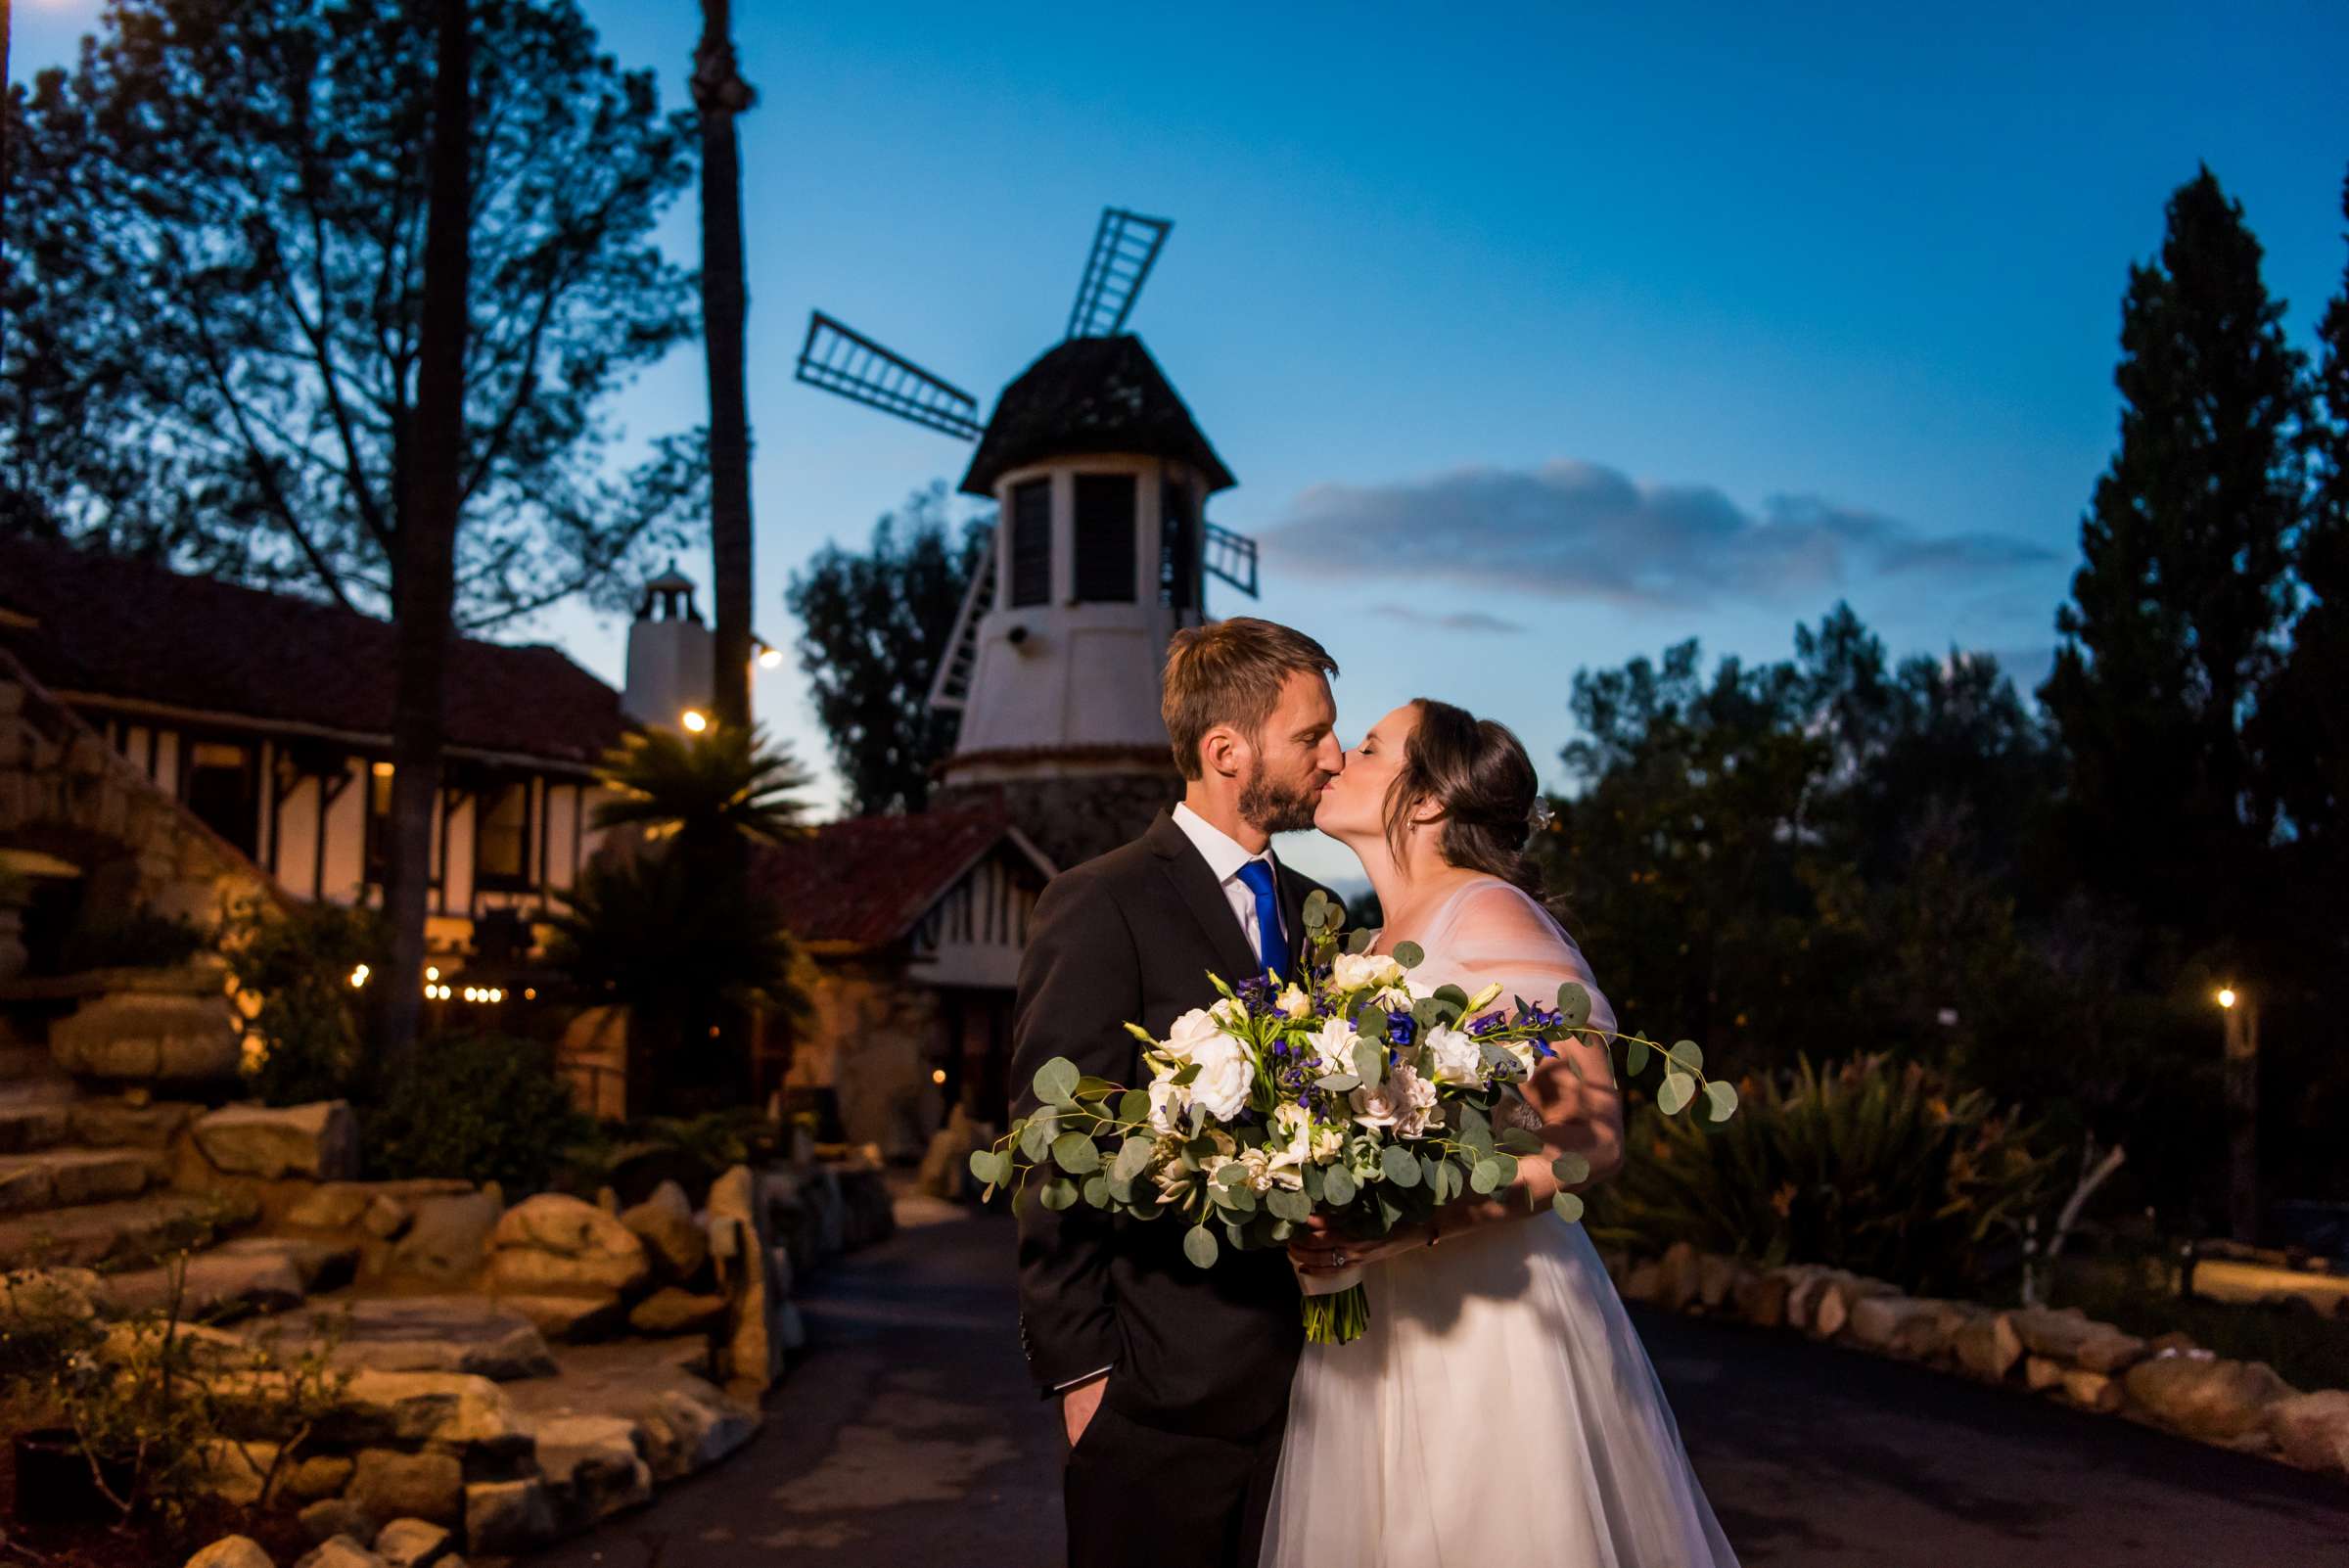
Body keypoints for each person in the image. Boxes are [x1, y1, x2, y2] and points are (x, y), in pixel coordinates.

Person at [1266, 698, 1739, 1568]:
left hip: (1485, 1324)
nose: (1338, 760)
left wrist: (1419, 1224)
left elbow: (1592, 1135)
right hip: (1374, 1324)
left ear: (1430, 800)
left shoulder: (1488, 914)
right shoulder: (1373, 937)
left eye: (1369, 747)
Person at [1010, 618, 1347, 1568]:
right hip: (1159, 1406)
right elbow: (1050, 1140)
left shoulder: (1324, 917)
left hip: (1319, 1393)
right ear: (1226, 750)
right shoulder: (1103, 901)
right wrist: (1085, 1377)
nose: (1335, 756)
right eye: (1312, 735)